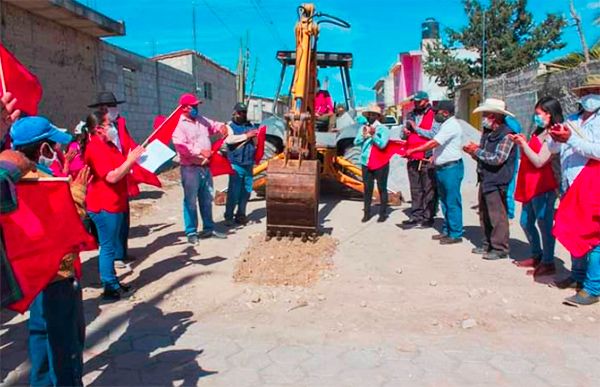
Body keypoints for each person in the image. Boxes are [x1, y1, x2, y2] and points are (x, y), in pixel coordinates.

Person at [10, 116, 91, 386]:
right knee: (65, 342)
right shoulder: (40, 185)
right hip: (56, 275)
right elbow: (64, 227)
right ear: (43, 148)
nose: (58, 148)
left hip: (32, 275)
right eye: (53, 144)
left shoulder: (14, 179)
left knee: (40, 336)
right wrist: (78, 194)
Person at [512, 75, 600, 305]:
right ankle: (578, 276)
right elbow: (551, 149)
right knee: (572, 231)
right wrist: (557, 137)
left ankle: (593, 286)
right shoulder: (572, 120)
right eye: (585, 91)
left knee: (594, 236)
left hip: (592, 183)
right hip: (570, 184)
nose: (589, 96)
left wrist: (570, 139)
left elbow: (597, 152)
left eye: (595, 91)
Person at [84, 111, 144, 301]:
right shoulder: (94, 148)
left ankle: (113, 281)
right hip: (103, 205)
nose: (113, 128)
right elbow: (112, 176)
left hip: (115, 202)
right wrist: (131, 160)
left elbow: (121, 168)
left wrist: (133, 159)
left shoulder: (109, 145)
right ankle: (109, 287)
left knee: (110, 245)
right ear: (98, 128)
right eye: (109, 124)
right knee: (108, 247)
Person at [510, 97, 560, 277]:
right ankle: (537, 254)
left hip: (543, 185)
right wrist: (522, 142)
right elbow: (530, 155)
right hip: (530, 183)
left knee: (544, 223)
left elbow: (540, 161)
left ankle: (548, 261)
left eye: (538, 114)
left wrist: (523, 144)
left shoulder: (553, 135)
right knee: (526, 221)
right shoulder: (539, 132)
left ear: (549, 114)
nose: (535, 117)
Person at [464, 98, 517, 260]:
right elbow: (485, 156)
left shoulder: (507, 135)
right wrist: (473, 152)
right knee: (485, 214)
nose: (483, 118)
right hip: (486, 177)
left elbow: (498, 158)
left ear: (494, 116)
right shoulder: (488, 134)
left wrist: (477, 151)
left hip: (497, 179)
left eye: (486, 114)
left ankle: (500, 248)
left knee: (497, 216)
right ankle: (488, 244)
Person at [172, 93, 227, 245]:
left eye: (197, 105)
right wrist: (199, 151)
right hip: (190, 168)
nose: (196, 108)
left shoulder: (201, 120)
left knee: (207, 198)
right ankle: (191, 232)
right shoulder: (179, 125)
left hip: (205, 167)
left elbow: (214, 125)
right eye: (194, 106)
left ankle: (208, 228)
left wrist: (222, 126)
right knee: (190, 201)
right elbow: (181, 145)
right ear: (184, 108)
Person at [405, 101, 464, 244]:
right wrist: (434, 157)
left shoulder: (451, 126)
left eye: (437, 112)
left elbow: (434, 143)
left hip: (451, 168)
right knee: (444, 201)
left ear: (445, 113)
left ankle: (455, 234)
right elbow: (442, 147)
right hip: (442, 167)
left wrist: (414, 150)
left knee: (452, 201)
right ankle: (447, 230)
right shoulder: (445, 125)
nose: (435, 115)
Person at [402, 91, 437, 228]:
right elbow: (403, 134)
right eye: (415, 101)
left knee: (428, 188)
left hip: (427, 156)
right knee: (415, 188)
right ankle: (416, 215)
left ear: (426, 100)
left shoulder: (434, 114)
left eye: (419, 101)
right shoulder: (410, 115)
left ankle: (428, 216)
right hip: (412, 156)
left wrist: (416, 129)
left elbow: (434, 134)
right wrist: (405, 133)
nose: (416, 104)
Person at [223, 102, 259, 226]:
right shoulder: (229, 126)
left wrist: (256, 137)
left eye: (244, 112)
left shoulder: (250, 125)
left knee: (246, 191)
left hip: (248, 163)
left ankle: (241, 215)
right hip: (236, 163)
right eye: (240, 112)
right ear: (235, 112)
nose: (243, 114)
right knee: (234, 192)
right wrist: (246, 135)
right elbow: (229, 140)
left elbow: (256, 142)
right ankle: (228, 216)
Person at [354, 104, 390, 223]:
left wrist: (373, 135)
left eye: (373, 115)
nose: (370, 117)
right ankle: (367, 212)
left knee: (382, 187)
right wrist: (364, 136)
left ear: (378, 116)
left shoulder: (383, 129)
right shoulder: (363, 128)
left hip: (380, 161)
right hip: (366, 161)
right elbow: (356, 141)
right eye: (369, 115)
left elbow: (383, 145)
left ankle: (383, 213)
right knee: (367, 188)